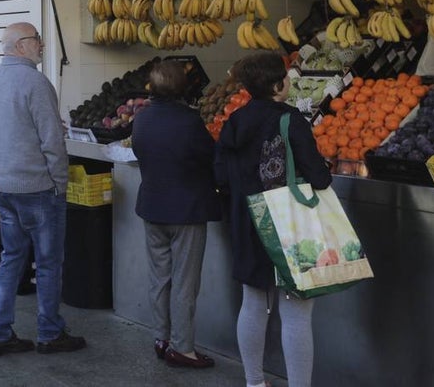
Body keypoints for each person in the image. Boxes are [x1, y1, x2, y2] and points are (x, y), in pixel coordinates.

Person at [215, 52, 332, 387]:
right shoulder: (291, 120)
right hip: (289, 223)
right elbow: (318, 177)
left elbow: (220, 174)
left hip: (248, 220)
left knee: (252, 302)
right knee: (296, 310)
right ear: (279, 84)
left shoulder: (233, 122)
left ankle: (254, 382)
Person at [0, 23, 85, 358]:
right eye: (36, 39)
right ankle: (50, 333)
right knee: (49, 262)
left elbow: (7, 128)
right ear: (20, 45)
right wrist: (59, 183)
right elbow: (52, 143)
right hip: (38, 188)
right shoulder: (36, 83)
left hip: (3, 186)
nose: (41, 44)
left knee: (11, 258)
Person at [131, 60, 221, 368]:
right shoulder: (189, 122)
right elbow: (210, 158)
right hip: (186, 210)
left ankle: (162, 338)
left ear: (152, 88)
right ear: (184, 88)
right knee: (184, 282)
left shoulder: (141, 119)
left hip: (152, 206)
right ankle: (183, 348)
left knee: (160, 278)